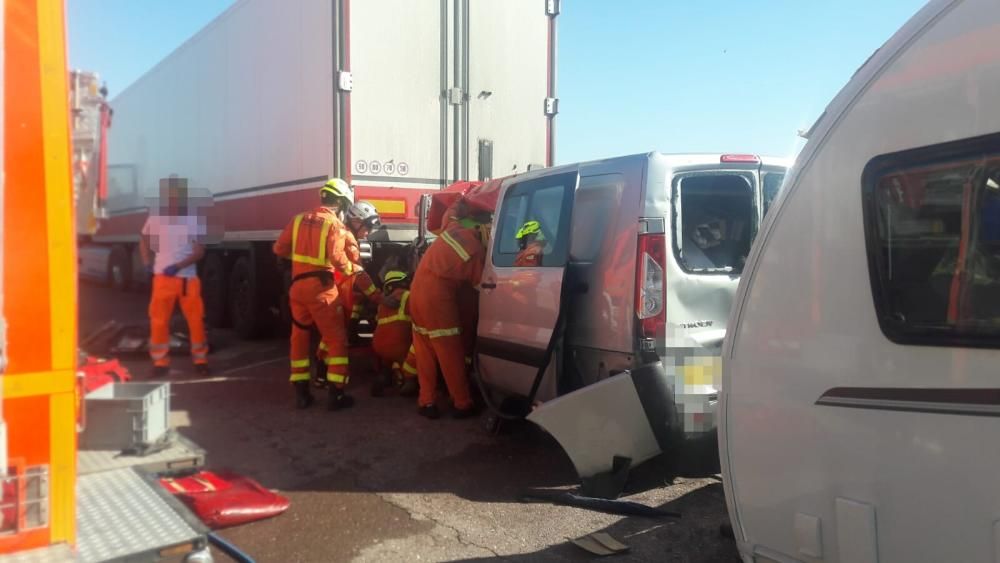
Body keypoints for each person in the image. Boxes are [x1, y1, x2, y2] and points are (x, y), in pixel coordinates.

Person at [273, 177, 362, 410]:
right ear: (341, 203)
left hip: (297, 289)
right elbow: (337, 258)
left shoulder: (298, 219)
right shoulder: (334, 225)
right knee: (336, 340)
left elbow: (279, 248)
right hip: (322, 291)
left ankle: (302, 393)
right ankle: (336, 394)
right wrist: (354, 269)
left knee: (299, 338)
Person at [409, 201, 490, 419]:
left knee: (424, 348)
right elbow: (485, 286)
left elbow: (450, 219)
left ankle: (426, 401)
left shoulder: (452, 231)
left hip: (416, 293)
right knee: (449, 350)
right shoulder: (474, 250)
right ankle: (462, 403)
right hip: (437, 299)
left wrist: (458, 205)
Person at [140, 178, 209, 377]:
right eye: (169, 196)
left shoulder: (193, 219)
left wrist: (177, 266)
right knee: (159, 322)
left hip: (187, 279)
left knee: (196, 321)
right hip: (163, 277)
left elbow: (199, 252)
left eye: (177, 196)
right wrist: (147, 264)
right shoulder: (155, 218)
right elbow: (143, 241)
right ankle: (160, 362)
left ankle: (200, 360)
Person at [370, 270, 419, 397]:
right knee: (417, 352)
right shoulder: (408, 296)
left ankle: (385, 377)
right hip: (399, 345)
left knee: (389, 358)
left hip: (379, 345)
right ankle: (409, 381)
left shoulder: (383, 303)